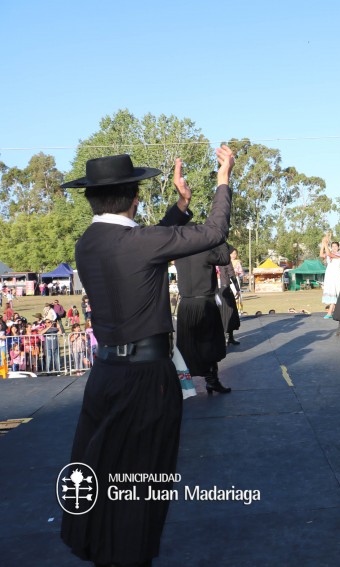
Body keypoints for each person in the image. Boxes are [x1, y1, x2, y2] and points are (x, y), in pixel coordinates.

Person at [60, 147, 234, 567]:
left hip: (106, 375)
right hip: (145, 380)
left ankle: (102, 549)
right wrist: (223, 179)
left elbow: (150, 241)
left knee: (103, 471)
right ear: (135, 197)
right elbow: (214, 232)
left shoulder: (88, 243)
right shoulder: (138, 242)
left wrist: (181, 205)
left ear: (91, 198)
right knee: (143, 479)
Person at [175, 237, 232, 394]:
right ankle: (212, 381)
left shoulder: (178, 252)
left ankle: (182, 384)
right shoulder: (204, 251)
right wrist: (220, 238)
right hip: (204, 303)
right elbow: (224, 258)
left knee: (187, 346)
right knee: (210, 344)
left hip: (186, 304)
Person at [217, 245, 241, 346]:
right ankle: (228, 337)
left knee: (222, 313)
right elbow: (232, 276)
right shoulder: (225, 261)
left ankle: (228, 337)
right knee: (229, 313)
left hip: (217, 290)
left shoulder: (213, 259)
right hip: (224, 289)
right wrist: (237, 289)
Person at [320, 234, 340, 319]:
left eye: (335, 246)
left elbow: (329, 253)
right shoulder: (329, 254)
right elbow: (321, 255)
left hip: (336, 275)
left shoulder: (339, 255)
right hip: (329, 274)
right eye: (332, 246)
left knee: (336, 293)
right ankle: (335, 311)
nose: (334, 248)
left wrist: (325, 243)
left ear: (338, 247)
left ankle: (330, 312)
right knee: (332, 293)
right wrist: (323, 244)